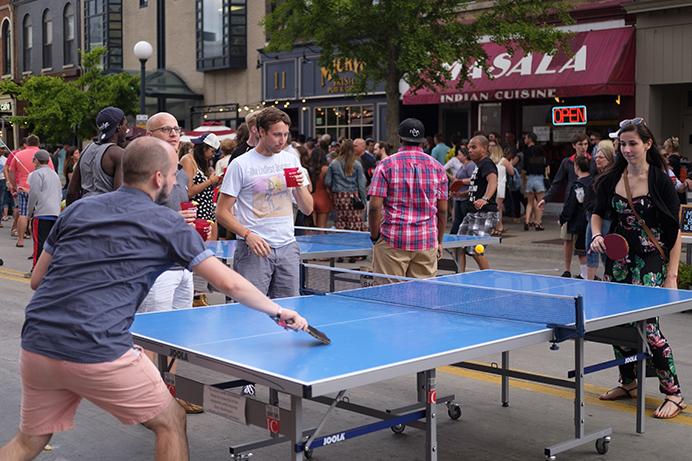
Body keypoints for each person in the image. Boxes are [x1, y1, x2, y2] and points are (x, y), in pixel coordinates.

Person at [0, 137, 308, 461]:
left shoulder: (77, 209)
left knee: (27, 442)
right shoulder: (168, 223)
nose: (176, 181)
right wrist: (277, 310)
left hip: (37, 342)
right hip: (98, 345)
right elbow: (226, 281)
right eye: (174, 174)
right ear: (158, 178)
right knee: (171, 421)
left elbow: (38, 280)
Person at [590, 118, 685, 419]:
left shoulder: (660, 181)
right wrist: (596, 235)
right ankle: (629, 382)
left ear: (647, 144)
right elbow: (596, 212)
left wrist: (671, 275)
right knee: (617, 324)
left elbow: (675, 232)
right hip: (617, 263)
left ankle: (674, 393)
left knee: (648, 328)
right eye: (623, 144)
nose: (628, 149)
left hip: (650, 262)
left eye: (633, 143)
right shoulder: (611, 177)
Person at [216, 106, 313, 300]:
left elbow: (308, 209)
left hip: (287, 245)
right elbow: (221, 212)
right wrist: (247, 235)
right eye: (277, 134)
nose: (282, 140)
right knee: (250, 310)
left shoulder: (291, 160)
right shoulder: (240, 164)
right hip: (254, 248)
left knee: (288, 310)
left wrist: (300, 187)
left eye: (286, 134)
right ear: (260, 132)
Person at [369, 118, 448, 282]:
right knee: (423, 298)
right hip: (426, 240)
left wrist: (375, 237)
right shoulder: (438, 168)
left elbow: (375, 207)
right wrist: (439, 241)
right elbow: (442, 210)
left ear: (400, 138)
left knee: (389, 298)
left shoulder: (386, 165)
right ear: (423, 141)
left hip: (393, 239)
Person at [539, 133, 591, 277]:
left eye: (586, 144)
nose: (583, 147)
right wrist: (546, 198)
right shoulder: (567, 162)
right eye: (580, 144)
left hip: (587, 207)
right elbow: (557, 182)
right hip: (571, 205)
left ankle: (588, 272)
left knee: (587, 240)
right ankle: (567, 269)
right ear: (574, 146)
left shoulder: (592, 161)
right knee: (567, 239)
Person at [66, 107, 128, 205]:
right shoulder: (119, 154)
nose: (126, 130)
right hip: (106, 214)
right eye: (125, 125)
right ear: (118, 126)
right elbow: (119, 197)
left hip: (83, 212)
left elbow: (71, 192)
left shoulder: (86, 150)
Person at [7, 135, 53, 248]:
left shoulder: (18, 154)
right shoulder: (44, 155)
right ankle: (35, 241)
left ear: (26, 143)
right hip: (40, 188)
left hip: (22, 187)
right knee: (36, 215)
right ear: (38, 143)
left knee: (23, 213)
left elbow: (11, 172)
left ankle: (20, 239)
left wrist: (13, 185)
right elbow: (51, 171)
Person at [584, 140, 615, 280]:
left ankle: (606, 281)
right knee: (591, 250)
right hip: (592, 216)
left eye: (601, 157)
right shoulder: (595, 175)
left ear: (609, 158)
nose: (597, 159)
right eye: (596, 156)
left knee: (605, 252)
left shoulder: (612, 177)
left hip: (606, 218)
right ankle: (590, 282)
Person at [26, 150, 61, 271]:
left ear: (37, 160)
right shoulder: (54, 174)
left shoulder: (37, 174)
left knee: (39, 243)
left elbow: (33, 194)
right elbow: (59, 194)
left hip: (42, 213)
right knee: (51, 244)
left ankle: (36, 269)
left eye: (34, 159)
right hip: (55, 213)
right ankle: (50, 268)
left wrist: (29, 213)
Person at [558, 155, 591, 279]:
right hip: (592, 218)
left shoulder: (577, 185)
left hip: (580, 220)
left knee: (581, 248)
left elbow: (570, 205)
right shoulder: (594, 181)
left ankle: (585, 273)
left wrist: (563, 218)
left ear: (576, 167)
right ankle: (587, 272)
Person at [325, 139, 368, 231]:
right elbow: (361, 185)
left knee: (340, 220)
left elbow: (327, 181)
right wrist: (364, 200)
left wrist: (333, 189)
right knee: (354, 222)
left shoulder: (334, 163)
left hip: (339, 196)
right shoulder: (357, 164)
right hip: (353, 197)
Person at [521, 132, 547, 232]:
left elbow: (524, 167)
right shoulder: (540, 149)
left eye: (526, 137)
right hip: (539, 178)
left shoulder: (526, 151)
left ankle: (527, 221)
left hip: (529, 178)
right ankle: (538, 223)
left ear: (530, 139)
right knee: (540, 202)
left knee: (529, 202)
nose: (524, 139)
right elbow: (545, 163)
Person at [489, 141, 514, 236]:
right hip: (500, 186)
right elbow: (512, 172)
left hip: (490, 186)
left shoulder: (488, 160)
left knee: (492, 207)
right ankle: (499, 226)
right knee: (498, 207)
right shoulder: (503, 160)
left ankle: (495, 227)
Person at [449, 147, 475, 235]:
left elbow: (473, 180)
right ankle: (454, 236)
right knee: (458, 219)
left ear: (465, 156)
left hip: (465, 197)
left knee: (465, 218)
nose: (458, 157)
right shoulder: (462, 166)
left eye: (460, 155)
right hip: (459, 196)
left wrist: (464, 189)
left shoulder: (470, 165)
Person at [308, 145, 331, 228]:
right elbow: (329, 184)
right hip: (324, 197)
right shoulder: (326, 169)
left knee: (311, 228)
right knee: (321, 228)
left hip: (311, 198)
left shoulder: (308, 169)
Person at [662, 136, 688, 205]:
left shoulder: (670, 163)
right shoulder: (683, 160)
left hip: (673, 193)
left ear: (670, 148)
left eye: (665, 147)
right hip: (680, 192)